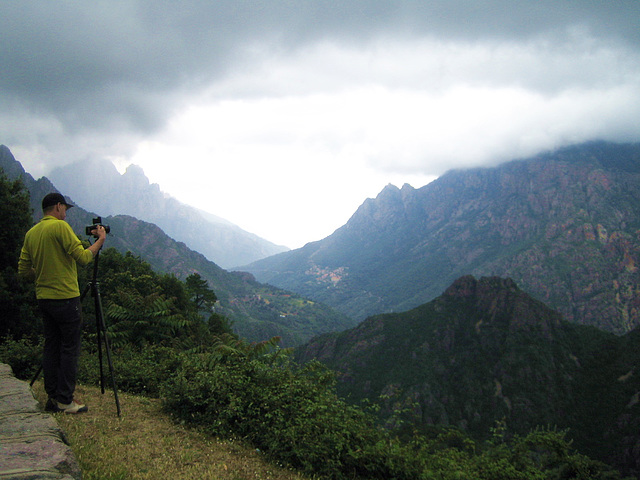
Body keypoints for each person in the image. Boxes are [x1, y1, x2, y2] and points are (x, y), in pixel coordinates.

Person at [18, 192, 106, 414]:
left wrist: (43, 270)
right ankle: (65, 400)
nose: (65, 214)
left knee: (51, 347)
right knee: (69, 349)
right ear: (57, 207)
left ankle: (52, 397)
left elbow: (23, 271)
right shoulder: (60, 228)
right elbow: (84, 258)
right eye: (65, 209)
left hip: (44, 298)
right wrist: (100, 241)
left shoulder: (32, 233)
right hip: (66, 298)